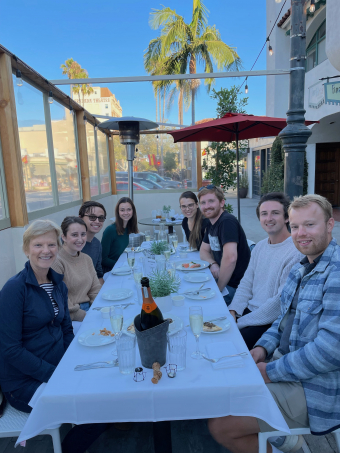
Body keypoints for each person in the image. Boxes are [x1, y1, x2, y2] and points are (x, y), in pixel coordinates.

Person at [208, 194, 340, 453]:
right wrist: (262, 349)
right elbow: (282, 318)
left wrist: (269, 372)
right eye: (295, 226)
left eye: (310, 225)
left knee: (221, 425)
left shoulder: (335, 274)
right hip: (285, 365)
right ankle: (286, 440)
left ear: (330, 225)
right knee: (220, 388)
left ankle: (288, 441)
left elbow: (330, 351)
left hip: (316, 387)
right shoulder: (302, 266)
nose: (301, 233)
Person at [0, 220, 107, 453]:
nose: (46, 251)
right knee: (99, 412)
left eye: (51, 244)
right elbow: (9, 349)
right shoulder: (14, 289)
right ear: (26, 249)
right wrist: (54, 374)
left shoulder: (57, 284)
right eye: (38, 245)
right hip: (25, 382)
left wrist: (71, 362)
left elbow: (66, 329)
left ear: (58, 248)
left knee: (106, 388)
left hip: (58, 367)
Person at [228, 192, 303, 349]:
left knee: (230, 346)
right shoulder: (260, 246)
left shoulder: (295, 252)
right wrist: (233, 311)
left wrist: (239, 323)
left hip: (268, 322)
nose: (269, 218)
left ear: (287, 217)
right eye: (264, 214)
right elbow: (246, 283)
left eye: (275, 213)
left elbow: (278, 303)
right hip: (249, 313)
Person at [198, 186, 250, 305]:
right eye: (203, 203)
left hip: (236, 287)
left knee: (200, 306)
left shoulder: (227, 222)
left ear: (222, 203)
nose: (207, 206)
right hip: (225, 281)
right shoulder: (211, 223)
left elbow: (231, 258)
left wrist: (218, 288)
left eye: (211, 201)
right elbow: (203, 251)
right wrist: (213, 263)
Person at [52, 216, 101, 322]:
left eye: (83, 234)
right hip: (71, 316)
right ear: (64, 237)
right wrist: (87, 317)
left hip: (91, 309)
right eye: (74, 235)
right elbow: (60, 299)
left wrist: (97, 310)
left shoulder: (86, 259)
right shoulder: (56, 262)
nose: (80, 239)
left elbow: (95, 289)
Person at [101, 197, 138, 274]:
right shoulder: (110, 230)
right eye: (122, 210)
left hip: (122, 269)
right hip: (110, 271)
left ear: (133, 211)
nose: (126, 213)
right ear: (118, 212)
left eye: (129, 209)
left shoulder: (128, 228)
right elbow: (103, 259)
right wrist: (123, 265)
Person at [79, 200, 107, 285]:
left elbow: (98, 274)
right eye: (92, 217)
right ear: (80, 218)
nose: (97, 221)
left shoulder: (97, 244)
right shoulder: (71, 244)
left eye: (101, 218)